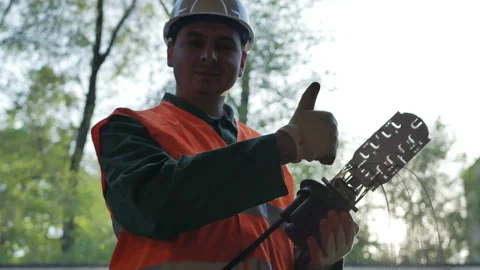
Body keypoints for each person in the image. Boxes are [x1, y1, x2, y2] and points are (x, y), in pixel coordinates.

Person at [90, 0, 358, 269]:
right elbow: (151, 206)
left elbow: (278, 258)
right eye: (195, 43)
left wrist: (321, 261)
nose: (209, 55)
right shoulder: (128, 129)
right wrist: (287, 145)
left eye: (225, 46)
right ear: (170, 52)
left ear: (242, 61)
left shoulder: (274, 161)